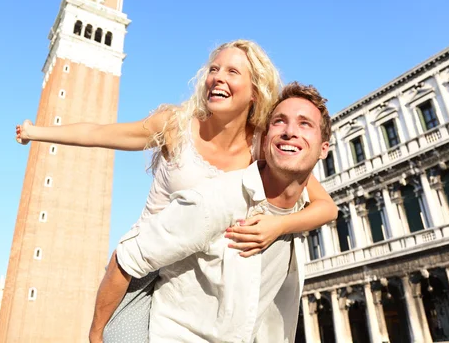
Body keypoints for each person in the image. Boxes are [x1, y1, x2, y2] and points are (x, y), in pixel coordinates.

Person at [15, 40, 337, 342]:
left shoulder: (262, 144)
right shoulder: (175, 125)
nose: (217, 78)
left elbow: (325, 207)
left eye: (232, 72)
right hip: (146, 266)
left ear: (254, 92)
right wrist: (37, 132)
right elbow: (100, 133)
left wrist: (278, 226)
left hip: (202, 271)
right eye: (213, 69)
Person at [104, 82, 332, 342]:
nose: (291, 132)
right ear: (265, 138)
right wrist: (96, 335)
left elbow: (329, 209)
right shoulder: (216, 199)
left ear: (324, 149)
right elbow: (126, 257)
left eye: (305, 124)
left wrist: (281, 225)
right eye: (280, 121)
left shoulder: (300, 206)